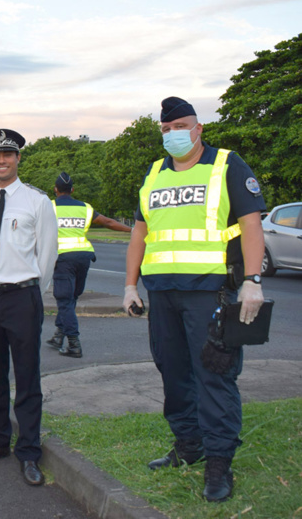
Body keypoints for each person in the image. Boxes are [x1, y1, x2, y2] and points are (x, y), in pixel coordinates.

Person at [123, 97, 265, 503]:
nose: (173, 134)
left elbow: (251, 223)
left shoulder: (225, 164)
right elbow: (139, 232)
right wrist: (130, 286)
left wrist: (253, 280)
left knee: (215, 374)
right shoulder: (154, 173)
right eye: (166, 130)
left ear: (198, 128)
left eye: (180, 126)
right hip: (162, 292)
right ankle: (189, 445)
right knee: (172, 371)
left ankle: (219, 461)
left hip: (211, 291)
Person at [0, 128, 58, 486]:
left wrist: (33, 288)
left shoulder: (37, 201)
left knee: (27, 375)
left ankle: (29, 451)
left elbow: (47, 253)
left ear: (18, 158)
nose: (1, 161)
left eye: (7, 154)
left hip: (23, 296)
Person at [46, 172, 132, 357]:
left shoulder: (49, 207)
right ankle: (58, 335)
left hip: (63, 258)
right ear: (73, 190)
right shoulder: (85, 208)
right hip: (83, 257)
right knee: (71, 299)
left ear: (55, 190)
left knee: (64, 300)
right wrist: (133, 230)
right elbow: (108, 222)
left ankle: (73, 344)